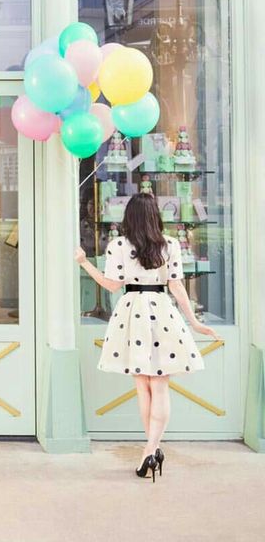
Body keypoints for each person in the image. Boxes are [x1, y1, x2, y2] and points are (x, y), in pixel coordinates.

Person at [74, 192, 219, 482]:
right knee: (160, 385)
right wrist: (194, 322)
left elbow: (111, 285)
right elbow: (177, 287)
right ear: (156, 216)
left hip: (132, 312)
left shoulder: (118, 245)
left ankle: (150, 451)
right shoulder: (170, 246)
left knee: (143, 386)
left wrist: (84, 262)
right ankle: (151, 450)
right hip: (162, 310)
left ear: (129, 217)